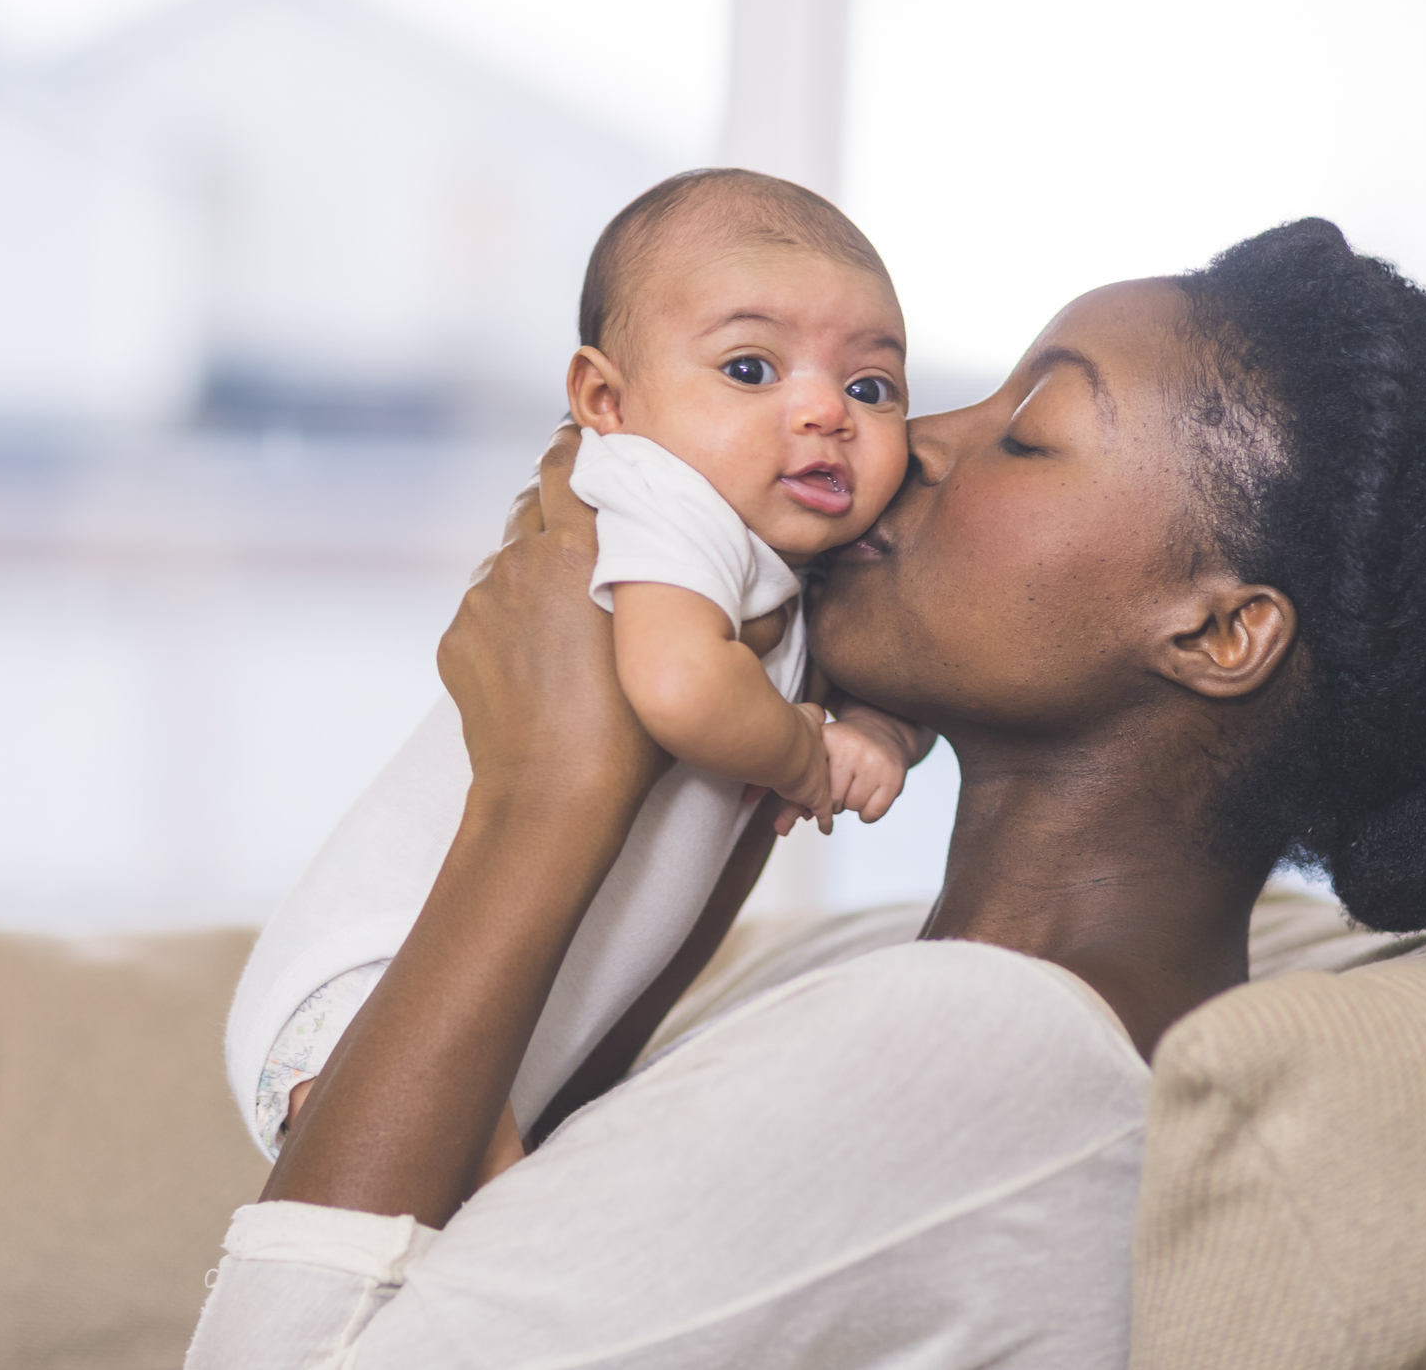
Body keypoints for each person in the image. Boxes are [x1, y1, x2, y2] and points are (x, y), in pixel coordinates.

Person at [185, 219, 1426, 1369]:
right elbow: (527, 1242)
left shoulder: (982, 1043)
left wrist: (541, 795)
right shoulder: (928, 977)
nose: (911, 437)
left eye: (1027, 431)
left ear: (1216, 630)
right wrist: (697, 798)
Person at [224, 171, 933, 1163]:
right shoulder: (658, 493)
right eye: (749, 368)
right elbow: (683, 687)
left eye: (871, 387)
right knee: (482, 1252)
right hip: (368, 980)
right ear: (607, 399)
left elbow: (904, 682)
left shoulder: (791, 564)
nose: (825, 411)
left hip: (516, 1009)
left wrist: (885, 734)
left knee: (482, 1253)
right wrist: (814, 759)